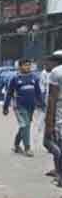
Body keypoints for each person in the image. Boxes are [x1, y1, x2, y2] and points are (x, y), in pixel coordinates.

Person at [4, 57, 43, 156]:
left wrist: (42, 104)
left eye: (29, 65)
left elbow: (38, 92)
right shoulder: (15, 78)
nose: (28, 67)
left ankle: (16, 145)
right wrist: (5, 107)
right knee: (25, 125)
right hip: (19, 106)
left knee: (24, 126)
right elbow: (9, 93)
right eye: (25, 65)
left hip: (31, 106)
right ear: (20, 67)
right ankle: (27, 148)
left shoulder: (34, 77)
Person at [44, 51, 62, 189]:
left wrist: (49, 123)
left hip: (59, 120)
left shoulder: (56, 72)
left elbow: (52, 99)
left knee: (52, 145)